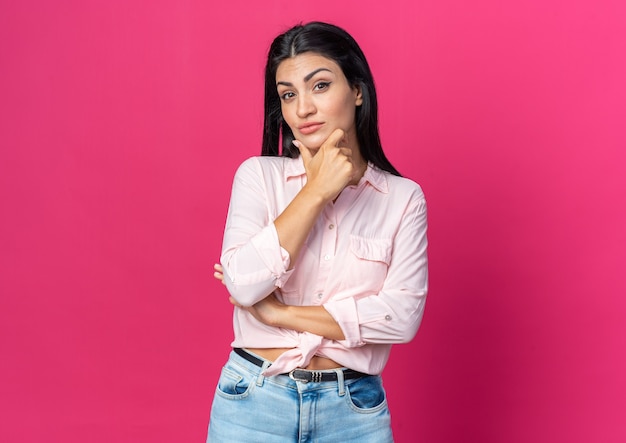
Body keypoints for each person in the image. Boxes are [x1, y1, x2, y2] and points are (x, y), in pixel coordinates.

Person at [207, 21, 428, 443]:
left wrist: (279, 314)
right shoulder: (258, 177)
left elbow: (401, 319)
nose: (303, 108)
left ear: (358, 91)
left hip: (354, 412)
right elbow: (242, 282)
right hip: (252, 404)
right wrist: (316, 191)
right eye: (288, 94)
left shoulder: (403, 199)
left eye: (320, 86)